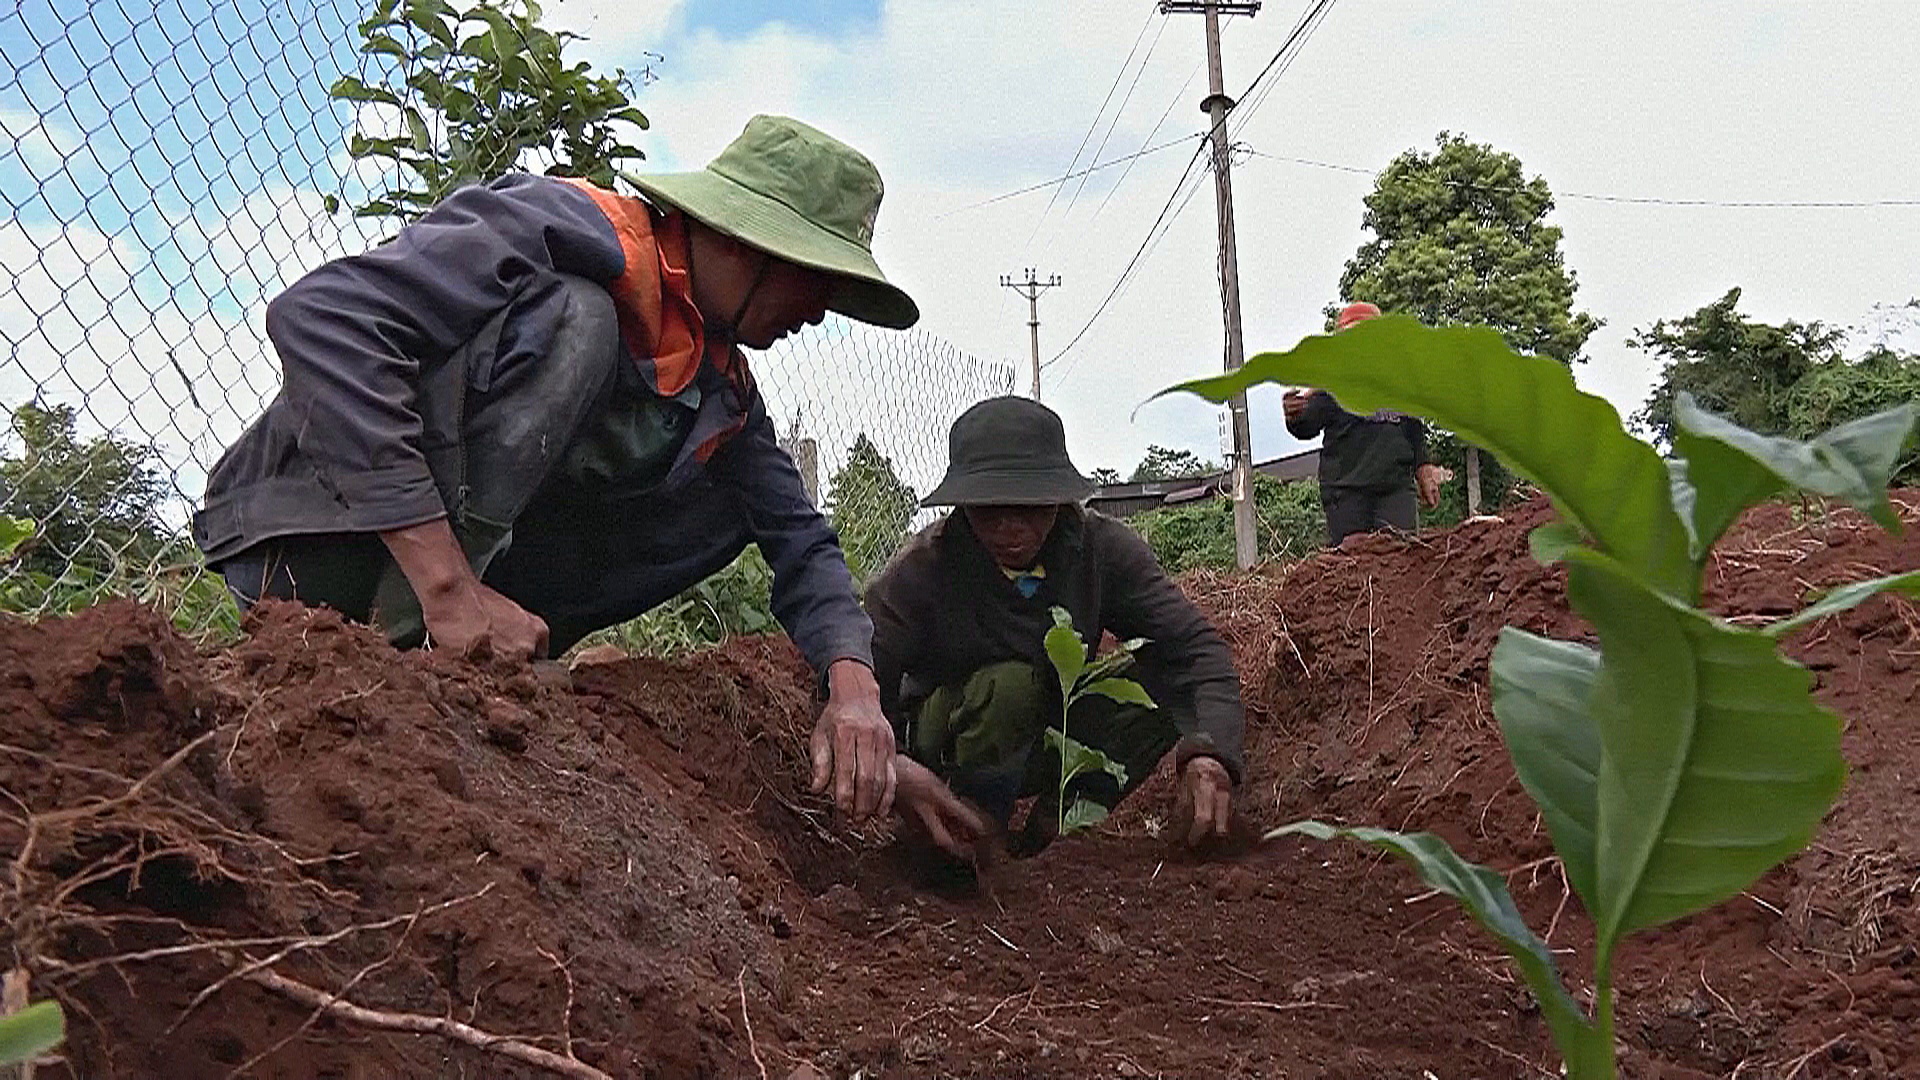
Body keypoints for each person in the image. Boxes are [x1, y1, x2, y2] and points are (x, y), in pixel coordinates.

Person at [191, 115, 912, 822]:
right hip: (307, 546)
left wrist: (853, 688)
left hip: (446, 587)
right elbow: (323, 317)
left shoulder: (718, 383)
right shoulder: (560, 226)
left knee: (733, 500)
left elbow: (800, 537)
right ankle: (433, 636)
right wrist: (448, 586)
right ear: (744, 242)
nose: (819, 312)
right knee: (580, 320)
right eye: (814, 280)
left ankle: (481, 660)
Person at [864, 397, 1245, 861]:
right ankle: (967, 827)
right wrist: (894, 769)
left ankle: (1059, 823)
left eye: (1028, 506)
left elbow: (1195, 652)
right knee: (1008, 685)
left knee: (1158, 683)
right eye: (989, 510)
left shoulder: (1101, 552)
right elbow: (860, 677)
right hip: (948, 744)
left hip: (1048, 730)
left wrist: (1212, 754)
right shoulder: (924, 568)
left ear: (1058, 498)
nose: (1009, 526)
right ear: (963, 506)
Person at [1282, 301, 1446, 546]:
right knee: (1353, 565)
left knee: (1402, 557)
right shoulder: (1331, 384)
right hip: (1346, 493)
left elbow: (1413, 428)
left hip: (1395, 490)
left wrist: (1423, 468)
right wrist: (1293, 415)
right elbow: (1307, 425)